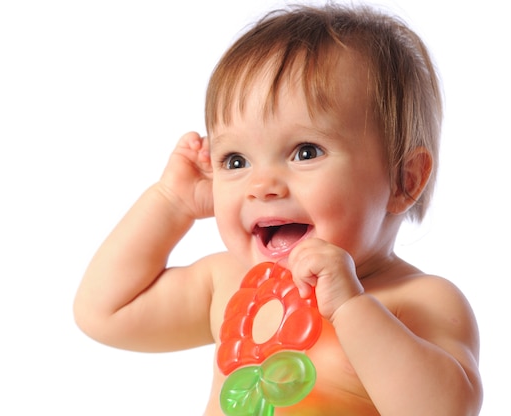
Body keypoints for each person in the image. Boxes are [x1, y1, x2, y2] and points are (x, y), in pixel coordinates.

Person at [73, 3, 483, 415]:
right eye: (235, 161)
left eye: (306, 152)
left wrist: (350, 308)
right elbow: (104, 313)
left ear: (403, 179)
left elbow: (444, 409)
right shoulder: (228, 283)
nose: (261, 186)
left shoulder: (421, 301)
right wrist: (170, 203)